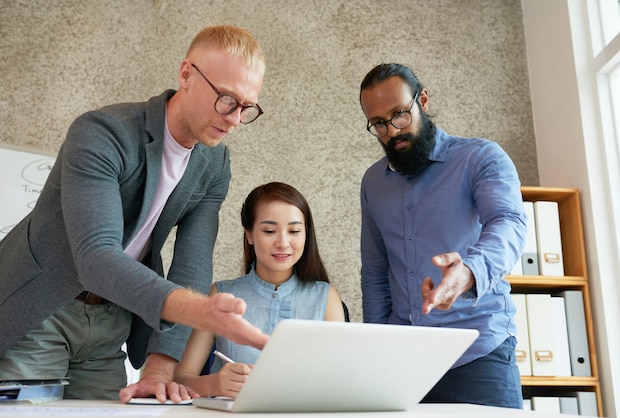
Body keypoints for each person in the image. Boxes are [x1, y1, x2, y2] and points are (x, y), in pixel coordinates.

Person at [0, 25, 269, 403]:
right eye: (226, 98)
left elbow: (191, 265)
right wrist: (198, 311)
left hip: (112, 322)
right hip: (44, 308)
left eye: (247, 107)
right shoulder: (102, 132)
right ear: (187, 74)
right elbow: (95, 256)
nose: (235, 119)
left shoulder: (215, 162)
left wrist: (161, 366)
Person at [358, 63, 527, 408]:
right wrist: (377, 350)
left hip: (477, 352)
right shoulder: (373, 182)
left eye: (400, 115)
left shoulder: (480, 158)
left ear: (422, 99)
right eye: (378, 124)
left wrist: (468, 272)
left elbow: (509, 222)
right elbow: (375, 272)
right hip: (405, 362)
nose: (392, 131)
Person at [174, 182, 345, 398]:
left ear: (306, 235)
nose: (283, 243)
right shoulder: (221, 295)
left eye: (294, 231)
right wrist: (215, 384)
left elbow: (343, 379)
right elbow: (180, 379)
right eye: (269, 231)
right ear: (249, 235)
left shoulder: (326, 297)